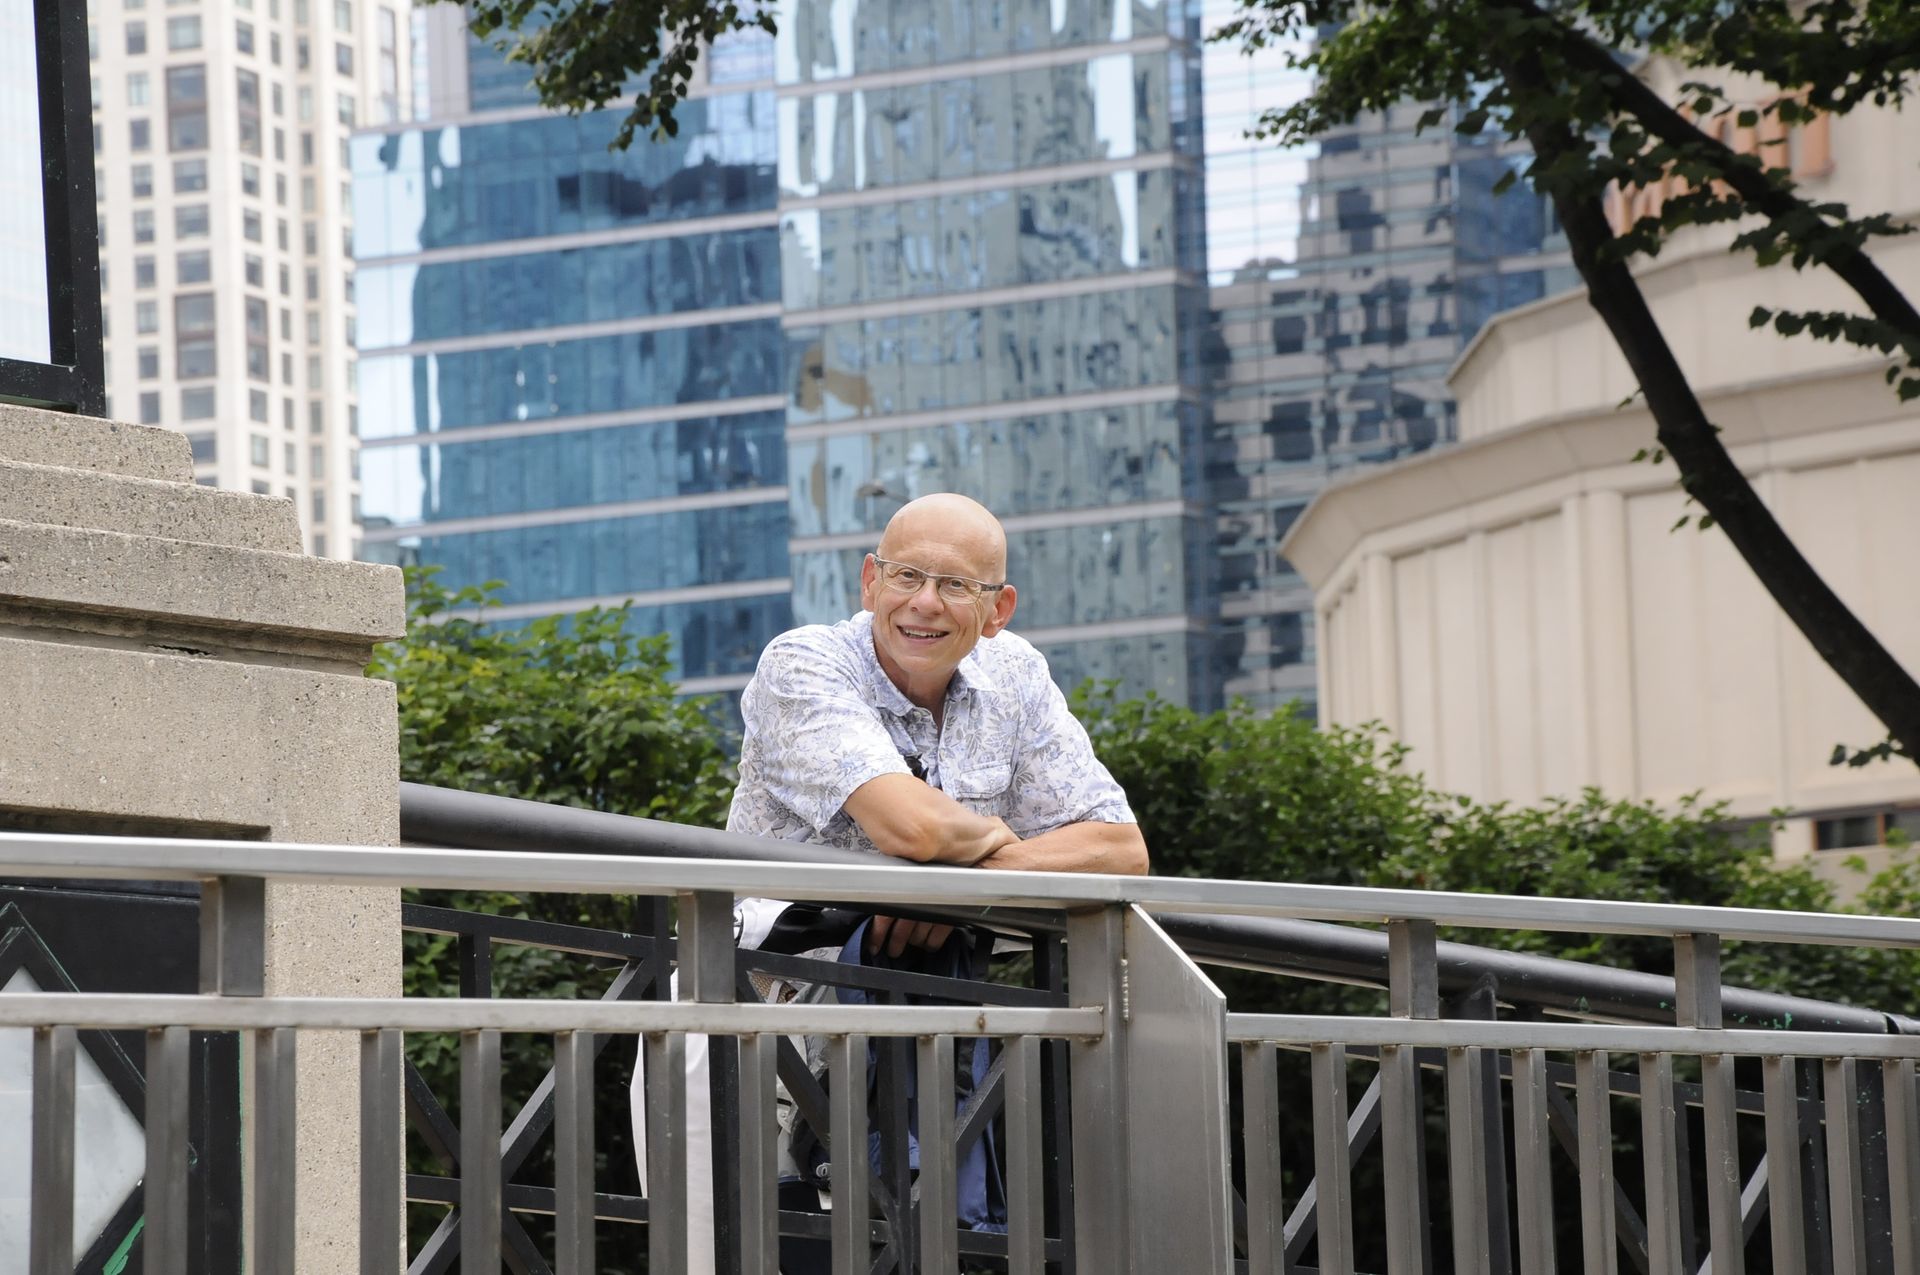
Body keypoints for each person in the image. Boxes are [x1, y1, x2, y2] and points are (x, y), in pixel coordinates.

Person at [716, 491, 1150, 1268]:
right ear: (868, 581)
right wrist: (988, 851)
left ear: (998, 608)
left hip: (934, 1052)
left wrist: (956, 885)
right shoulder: (803, 663)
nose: (924, 602)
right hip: (760, 1039)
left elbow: (1120, 848)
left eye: (955, 585)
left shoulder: (1015, 675)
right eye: (906, 575)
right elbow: (908, 827)